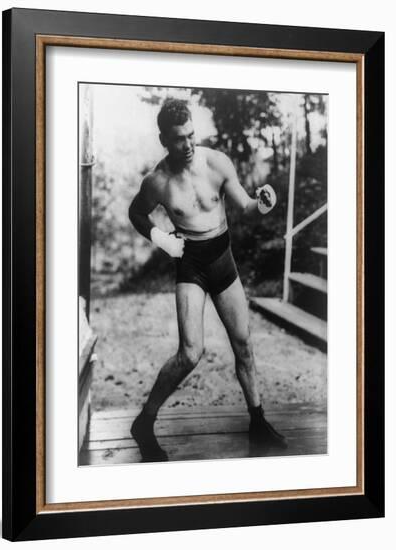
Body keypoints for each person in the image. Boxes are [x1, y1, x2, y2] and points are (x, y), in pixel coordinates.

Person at [128, 98, 287, 462]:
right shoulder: (158, 182)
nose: (186, 145)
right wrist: (161, 238)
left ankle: (258, 421)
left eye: (190, 135)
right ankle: (144, 422)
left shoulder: (216, 162)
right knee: (189, 353)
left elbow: (246, 205)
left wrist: (263, 201)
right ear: (163, 140)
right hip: (190, 264)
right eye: (178, 139)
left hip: (222, 258)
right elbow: (136, 213)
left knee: (244, 343)